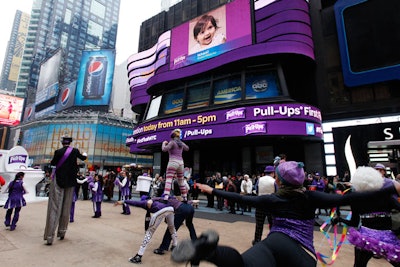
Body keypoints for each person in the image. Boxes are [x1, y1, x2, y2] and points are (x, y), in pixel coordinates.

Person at [171, 161, 400, 267]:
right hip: (302, 253)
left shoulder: (273, 199)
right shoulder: (312, 197)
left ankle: (209, 251)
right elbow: (347, 198)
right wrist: (390, 186)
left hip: (274, 243)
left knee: (241, 264)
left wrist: (212, 190)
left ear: (278, 181)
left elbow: (243, 199)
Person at [334, 166, 400, 266]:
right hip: (387, 237)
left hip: (365, 238)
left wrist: (339, 219)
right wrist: (398, 230)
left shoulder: (357, 200)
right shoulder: (386, 197)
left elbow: (354, 222)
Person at [43, 136, 87, 245]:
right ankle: (62, 232)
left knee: (54, 207)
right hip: (71, 182)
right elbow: (83, 158)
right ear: (70, 143)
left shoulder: (58, 152)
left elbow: (53, 163)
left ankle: (49, 236)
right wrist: (85, 154)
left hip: (58, 180)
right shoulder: (75, 151)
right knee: (66, 206)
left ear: (62, 143)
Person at [114, 195, 178, 264]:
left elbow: (135, 202)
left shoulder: (145, 202)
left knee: (149, 232)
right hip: (170, 209)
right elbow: (168, 197)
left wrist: (124, 201)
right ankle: (175, 245)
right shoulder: (159, 200)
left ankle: (139, 256)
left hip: (163, 211)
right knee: (171, 227)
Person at [162, 128, 189, 201]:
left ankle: (166, 196)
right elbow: (187, 148)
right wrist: (182, 144)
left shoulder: (172, 142)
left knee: (169, 179)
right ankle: (185, 197)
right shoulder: (181, 143)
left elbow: (164, 149)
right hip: (181, 163)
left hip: (173, 162)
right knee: (181, 181)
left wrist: (164, 143)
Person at [252, 165, 276, 245]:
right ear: (272, 173)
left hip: (260, 204)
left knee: (259, 224)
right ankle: (272, 241)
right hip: (271, 205)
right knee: (272, 224)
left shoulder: (259, 180)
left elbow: (256, 189)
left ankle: (257, 241)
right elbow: (277, 192)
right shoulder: (274, 181)